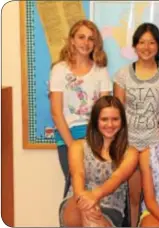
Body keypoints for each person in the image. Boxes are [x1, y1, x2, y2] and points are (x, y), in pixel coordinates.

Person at [113, 22, 159, 226]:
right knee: (134, 196)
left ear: (158, 46)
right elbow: (117, 114)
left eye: (151, 42)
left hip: (157, 145)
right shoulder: (122, 74)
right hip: (130, 144)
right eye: (141, 42)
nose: (146, 47)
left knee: (156, 197)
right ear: (135, 46)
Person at [59, 95, 139, 227]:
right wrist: (84, 200)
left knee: (92, 221)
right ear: (96, 121)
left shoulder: (131, 153)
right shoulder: (77, 146)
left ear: (122, 121)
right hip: (76, 202)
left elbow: (116, 179)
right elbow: (78, 174)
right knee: (87, 212)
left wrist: (94, 197)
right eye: (104, 119)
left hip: (110, 209)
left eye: (115, 119)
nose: (110, 124)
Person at [49, 19, 112, 180]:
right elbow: (56, 112)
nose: (86, 42)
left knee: (96, 187)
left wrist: (101, 143)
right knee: (74, 186)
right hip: (67, 135)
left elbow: (105, 110)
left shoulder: (101, 70)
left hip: (95, 136)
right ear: (72, 40)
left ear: (96, 43)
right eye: (81, 37)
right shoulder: (59, 70)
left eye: (91, 38)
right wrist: (72, 146)